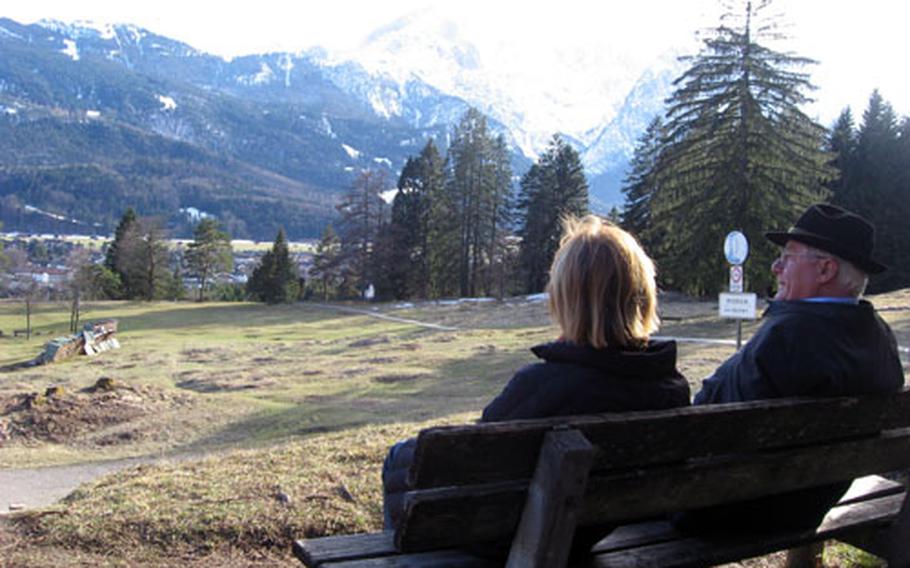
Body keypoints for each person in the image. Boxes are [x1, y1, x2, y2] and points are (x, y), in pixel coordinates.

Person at [382, 215, 691, 546]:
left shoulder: (544, 386)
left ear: (565, 300)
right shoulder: (670, 386)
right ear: (642, 295)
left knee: (398, 459)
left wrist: (401, 454)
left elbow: (475, 457)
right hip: (606, 531)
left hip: (528, 545)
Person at [679, 203, 905, 533]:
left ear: (825, 270)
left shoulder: (786, 337)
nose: (775, 267)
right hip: (806, 509)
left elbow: (706, 419)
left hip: (724, 512)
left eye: (788, 256)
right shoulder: (880, 338)